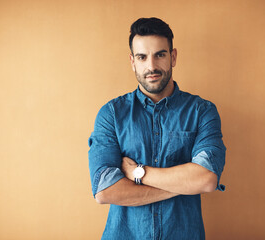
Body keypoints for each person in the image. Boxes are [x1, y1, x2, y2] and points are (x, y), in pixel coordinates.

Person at [88, 17, 226, 240]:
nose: (151, 66)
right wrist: (184, 184)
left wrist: (136, 173)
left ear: (173, 57)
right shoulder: (111, 114)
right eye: (142, 57)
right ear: (133, 61)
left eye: (160, 55)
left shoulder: (202, 111)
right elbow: (105, 191)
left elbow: (206, 179)